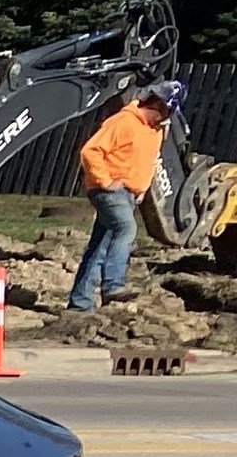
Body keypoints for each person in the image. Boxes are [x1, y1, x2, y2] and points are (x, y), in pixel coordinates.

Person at [65, 80, 184, 313]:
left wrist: (140, 190)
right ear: (157, 104)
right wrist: (105, 181)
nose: (167, 117)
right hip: (109, 190)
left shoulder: (154, 131)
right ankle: (113, 286)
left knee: (98, 247)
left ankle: (80, 304)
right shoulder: (124, 121)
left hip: (129, 194)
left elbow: (146, 162)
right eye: (167, 111)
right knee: (126, 229)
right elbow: (91, 151)